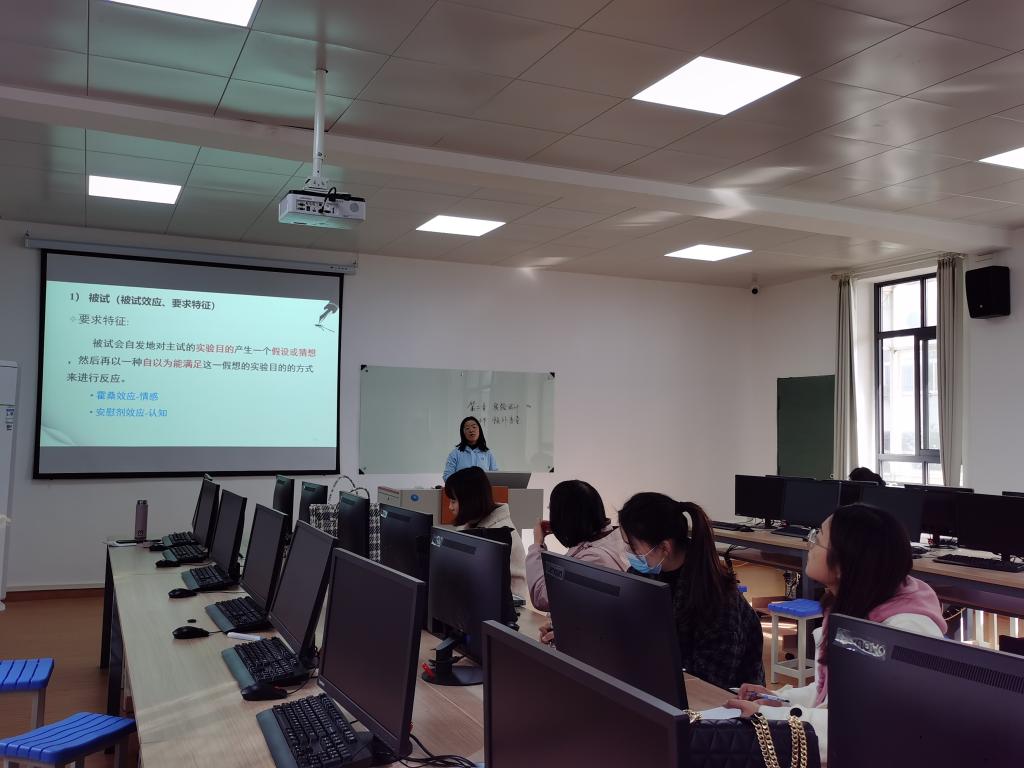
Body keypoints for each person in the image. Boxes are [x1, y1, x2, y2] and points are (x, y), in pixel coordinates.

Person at [726, 503, 947, 759]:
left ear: (843, 565)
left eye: (818, 538)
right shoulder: (853, 605)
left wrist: (768, 716)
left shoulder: (904, 632)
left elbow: (863, 728)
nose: (809, 543)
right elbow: (830, 694)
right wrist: (779, 699)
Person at [618, 492, 765, 690]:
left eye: (634, 547)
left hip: (724, 699)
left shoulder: (716, 597)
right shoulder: (642, 575)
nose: (631, 554)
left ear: (665, 547)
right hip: (665, 685)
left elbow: (711, 680)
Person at [525, 480, 629, 611]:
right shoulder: (613, 540)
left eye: (552, 510)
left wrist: (537, 545)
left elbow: (542, 597)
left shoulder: (593, 559)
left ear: (565, 517)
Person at [444, 466, 527, 599]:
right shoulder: (472, 524)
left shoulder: (499, 533)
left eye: (453, 501)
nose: (450, 507)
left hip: (511, 603)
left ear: (469, 501)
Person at [442, 416, 498, 481]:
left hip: (482, 487)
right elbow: (447, 476)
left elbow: (495, 476)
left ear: (479, 430)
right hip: (462, 487)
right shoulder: (455, 453)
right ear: (463, 433)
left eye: (474, 427)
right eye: (467, 428)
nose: (471, 430)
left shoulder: (487, 453)